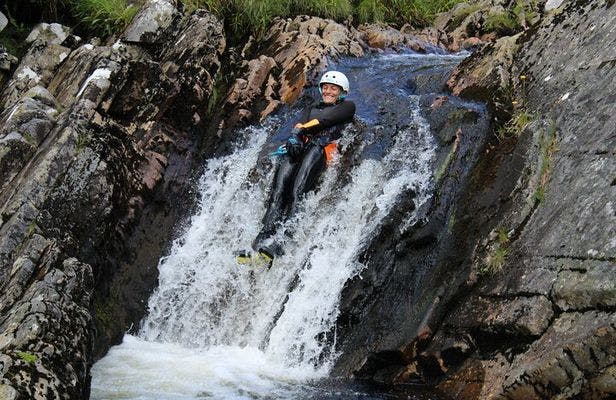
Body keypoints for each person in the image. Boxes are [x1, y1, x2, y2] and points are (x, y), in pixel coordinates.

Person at [237, 70, 356, 268]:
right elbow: (300, 125)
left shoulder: (347, 106)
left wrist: (300, 130)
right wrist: (295, 139)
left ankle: (282, 242)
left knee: (296, 191)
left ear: (342, 92)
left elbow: (325, 122)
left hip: (321, 150)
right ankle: (259, 244)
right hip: (303, 148)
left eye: (333, 89)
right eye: (325, 87)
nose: (328, 91)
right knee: (277, 193)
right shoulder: (312, 107)